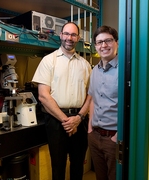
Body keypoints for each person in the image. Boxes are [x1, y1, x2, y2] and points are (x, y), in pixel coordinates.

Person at [32, 22, 92, 180]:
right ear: (61, 35)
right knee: (58, 166)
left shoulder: (85, 65)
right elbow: (43, 96)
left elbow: (90, 96)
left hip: (79, 120)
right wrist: (66, 121)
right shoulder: (48, 61)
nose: (69, 38)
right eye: (66, 34)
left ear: (78, 38)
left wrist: (78, 118)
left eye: (73, 35)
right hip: (56, 121)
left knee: (78, 164)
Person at [88, 25, 119, 180]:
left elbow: (131, 106)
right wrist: (89, 129)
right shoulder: (95, 70)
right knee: (100, 177)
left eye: (108, 40)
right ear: (96, 46)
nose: (104, 45)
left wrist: (118, 135)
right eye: (100, 42)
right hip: (95, 136)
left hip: (113, 139)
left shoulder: (126, 70)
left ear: (116, 43)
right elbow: (93, 99)